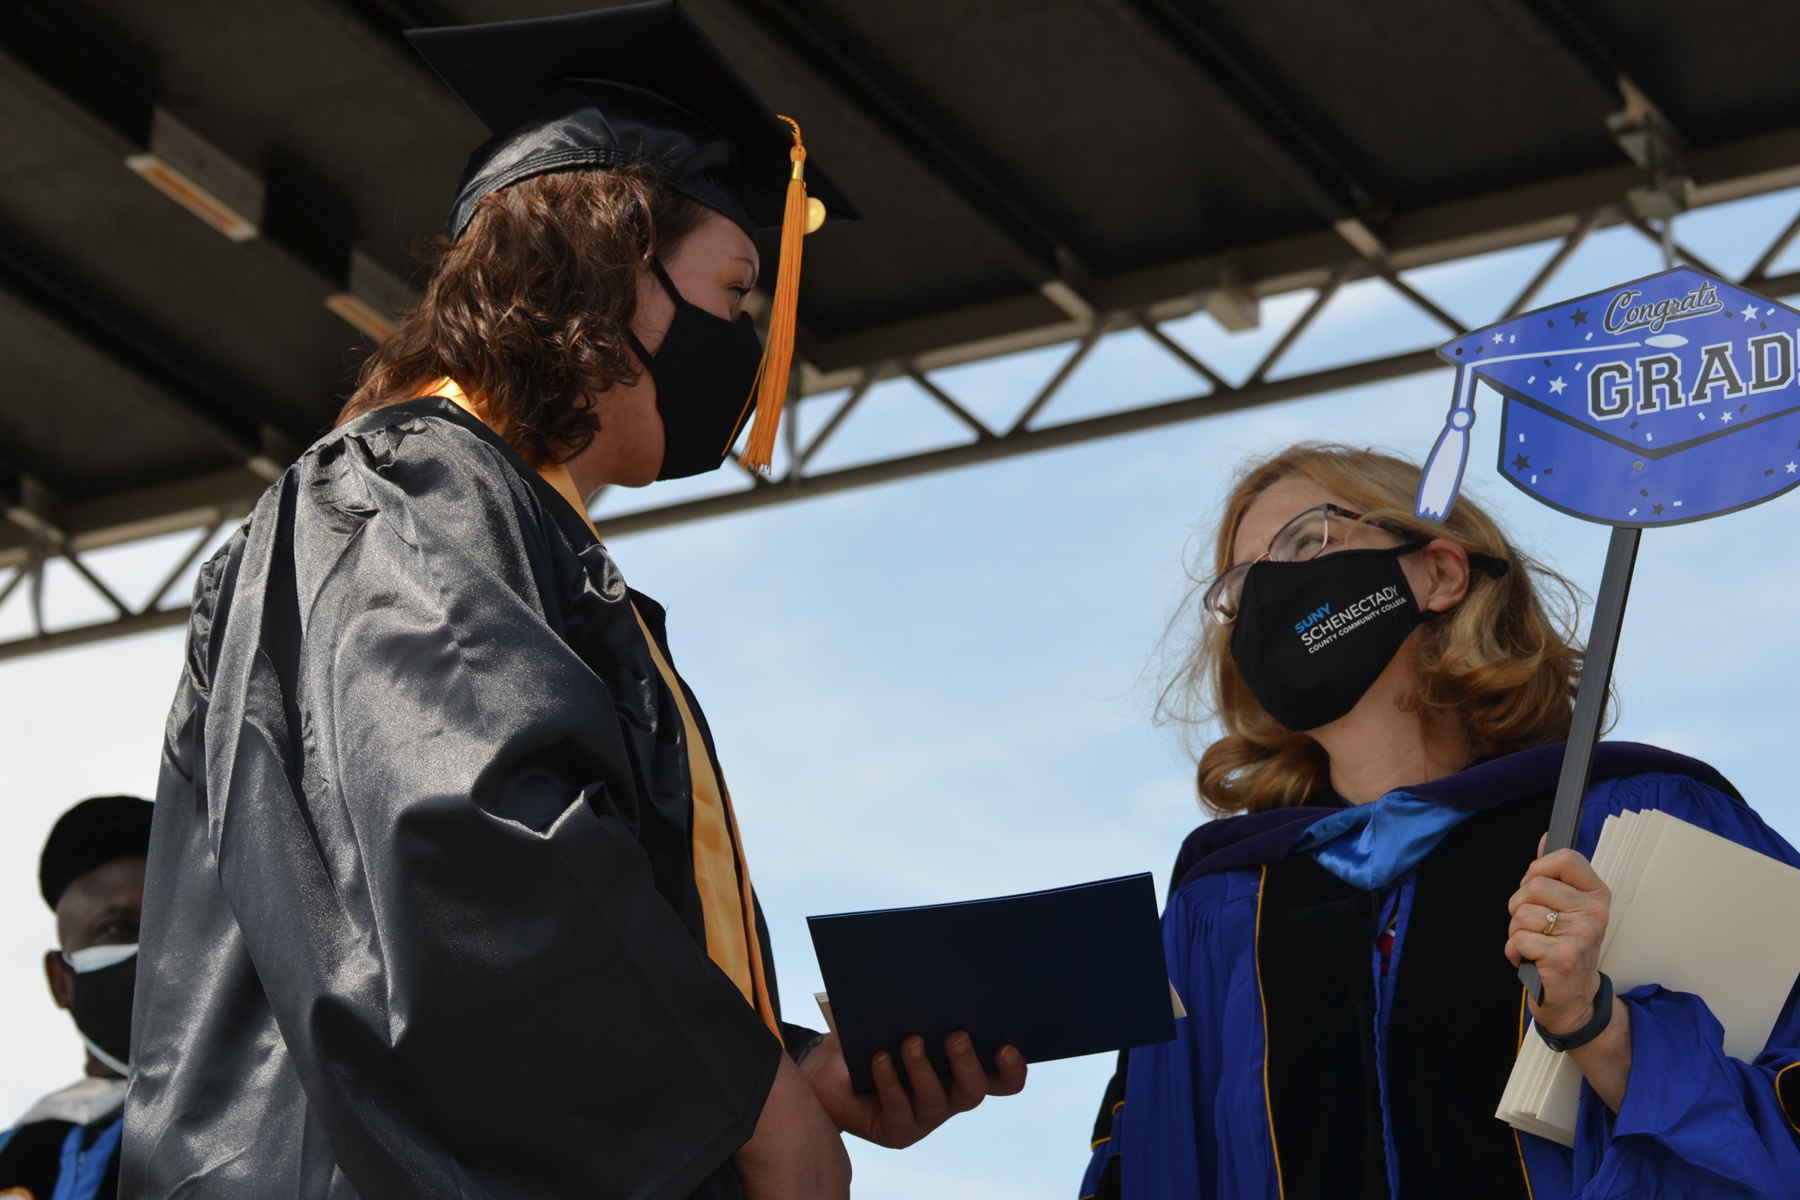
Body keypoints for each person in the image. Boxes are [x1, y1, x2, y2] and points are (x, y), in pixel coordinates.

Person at [122, 5, 1021, 1199]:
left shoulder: (504, 529)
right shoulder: (401, 489)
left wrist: (793, 1066)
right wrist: (757, 1114)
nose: (747, 343)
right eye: (735, 290)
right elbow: (473, 847)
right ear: (606, 261)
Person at [1080, 444, 1800, 1199]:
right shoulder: (1217, 911)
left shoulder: (1637, 820)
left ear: (1440, 574)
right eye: (1241, 583)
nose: (1268, 592)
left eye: (1305, 542)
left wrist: (1606, 1033)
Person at [0, 795, 153, 1200]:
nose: (157, 954)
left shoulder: (270, 1132)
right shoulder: (13, 1157)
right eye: (119, 928)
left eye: (170, 926)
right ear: (61, 980)